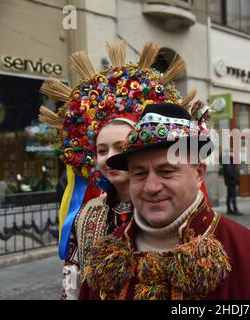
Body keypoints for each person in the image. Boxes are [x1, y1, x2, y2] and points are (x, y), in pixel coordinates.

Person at [78, 102, 250, 300]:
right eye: (139, 174)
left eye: (167, 172)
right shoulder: (105, 257)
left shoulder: (246, 254)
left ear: (199, 173)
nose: (151, 187)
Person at [39, 41, 193, 299]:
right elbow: (72, 279)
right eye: (101, 150)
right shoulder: (88, 214)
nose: (110, 157)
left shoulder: (163, 207)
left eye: (121, 146)